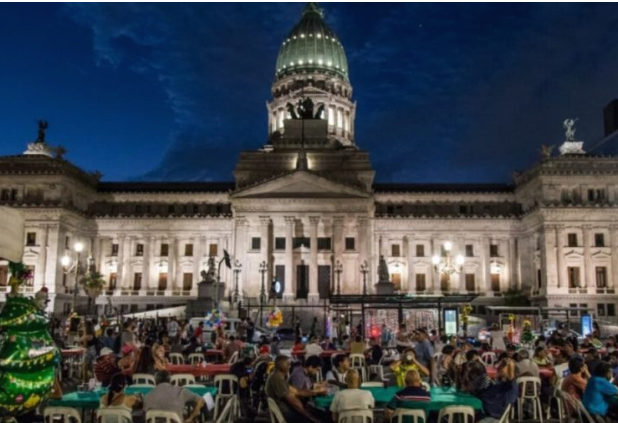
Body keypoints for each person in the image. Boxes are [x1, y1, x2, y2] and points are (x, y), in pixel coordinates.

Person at [265, 355, 320, 423]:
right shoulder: (277, 378)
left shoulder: (278, 376)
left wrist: (315, 392)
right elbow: (293, 401)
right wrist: (307, 414)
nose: (289, 367)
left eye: (290, 364)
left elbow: (297, 391)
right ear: (280, 365)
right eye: (287, 364)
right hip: (286, 412)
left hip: (287, 409)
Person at [465, 358, 518, 423]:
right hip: (486, 412)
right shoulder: (502, 385)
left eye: (500, 368)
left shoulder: (510, 387)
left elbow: (511, 378)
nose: (497, 369)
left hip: (491, 417)